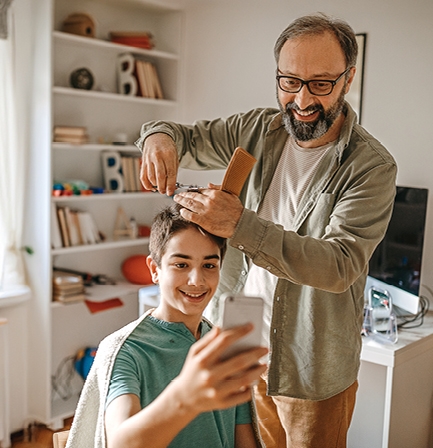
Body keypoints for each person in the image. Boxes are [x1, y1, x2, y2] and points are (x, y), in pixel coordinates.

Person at [135, 12, 397, 448]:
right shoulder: (255, 130)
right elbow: (181, 135)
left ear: (348, 79)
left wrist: (238, 225)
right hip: (238, 351)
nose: (301, 100)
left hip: (311, 370)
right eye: (289, 82)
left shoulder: (370, 166)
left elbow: (339, 264)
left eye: (320, 84)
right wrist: (157, 139)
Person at [65, 203, 268, 448]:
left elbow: (244, 440)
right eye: (181, 265)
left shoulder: (220, 346)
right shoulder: (125, 351)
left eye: (209, 265)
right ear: (154, 269)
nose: (197, 280)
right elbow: (120, 443)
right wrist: (185, 397)